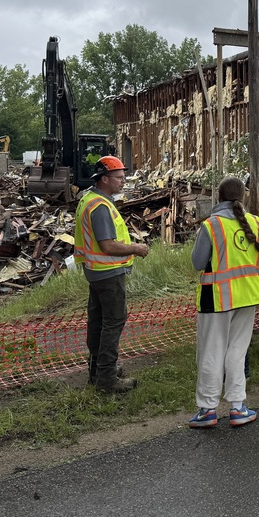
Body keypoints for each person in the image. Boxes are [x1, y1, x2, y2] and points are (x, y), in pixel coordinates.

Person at [189, 177, 259, 428]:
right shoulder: (256, 223)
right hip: (248, 295)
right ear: (243, 196)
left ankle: (208, 410)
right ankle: (237, 407)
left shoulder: (211, 226)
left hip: (217, 297)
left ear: (218, 197)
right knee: (237, 351)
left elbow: (198, 263)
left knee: (212, 351)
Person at [73, 155, 149, 394]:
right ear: (104, 179)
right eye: (119, 178)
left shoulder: (90, 199)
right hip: (108, 272)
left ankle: (98, 371)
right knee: (113, 322)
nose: (123, 182)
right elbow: (107, 246)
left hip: (95, 271)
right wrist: (136, 248)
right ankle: (107, 378)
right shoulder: (100, 207)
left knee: (98, 322)